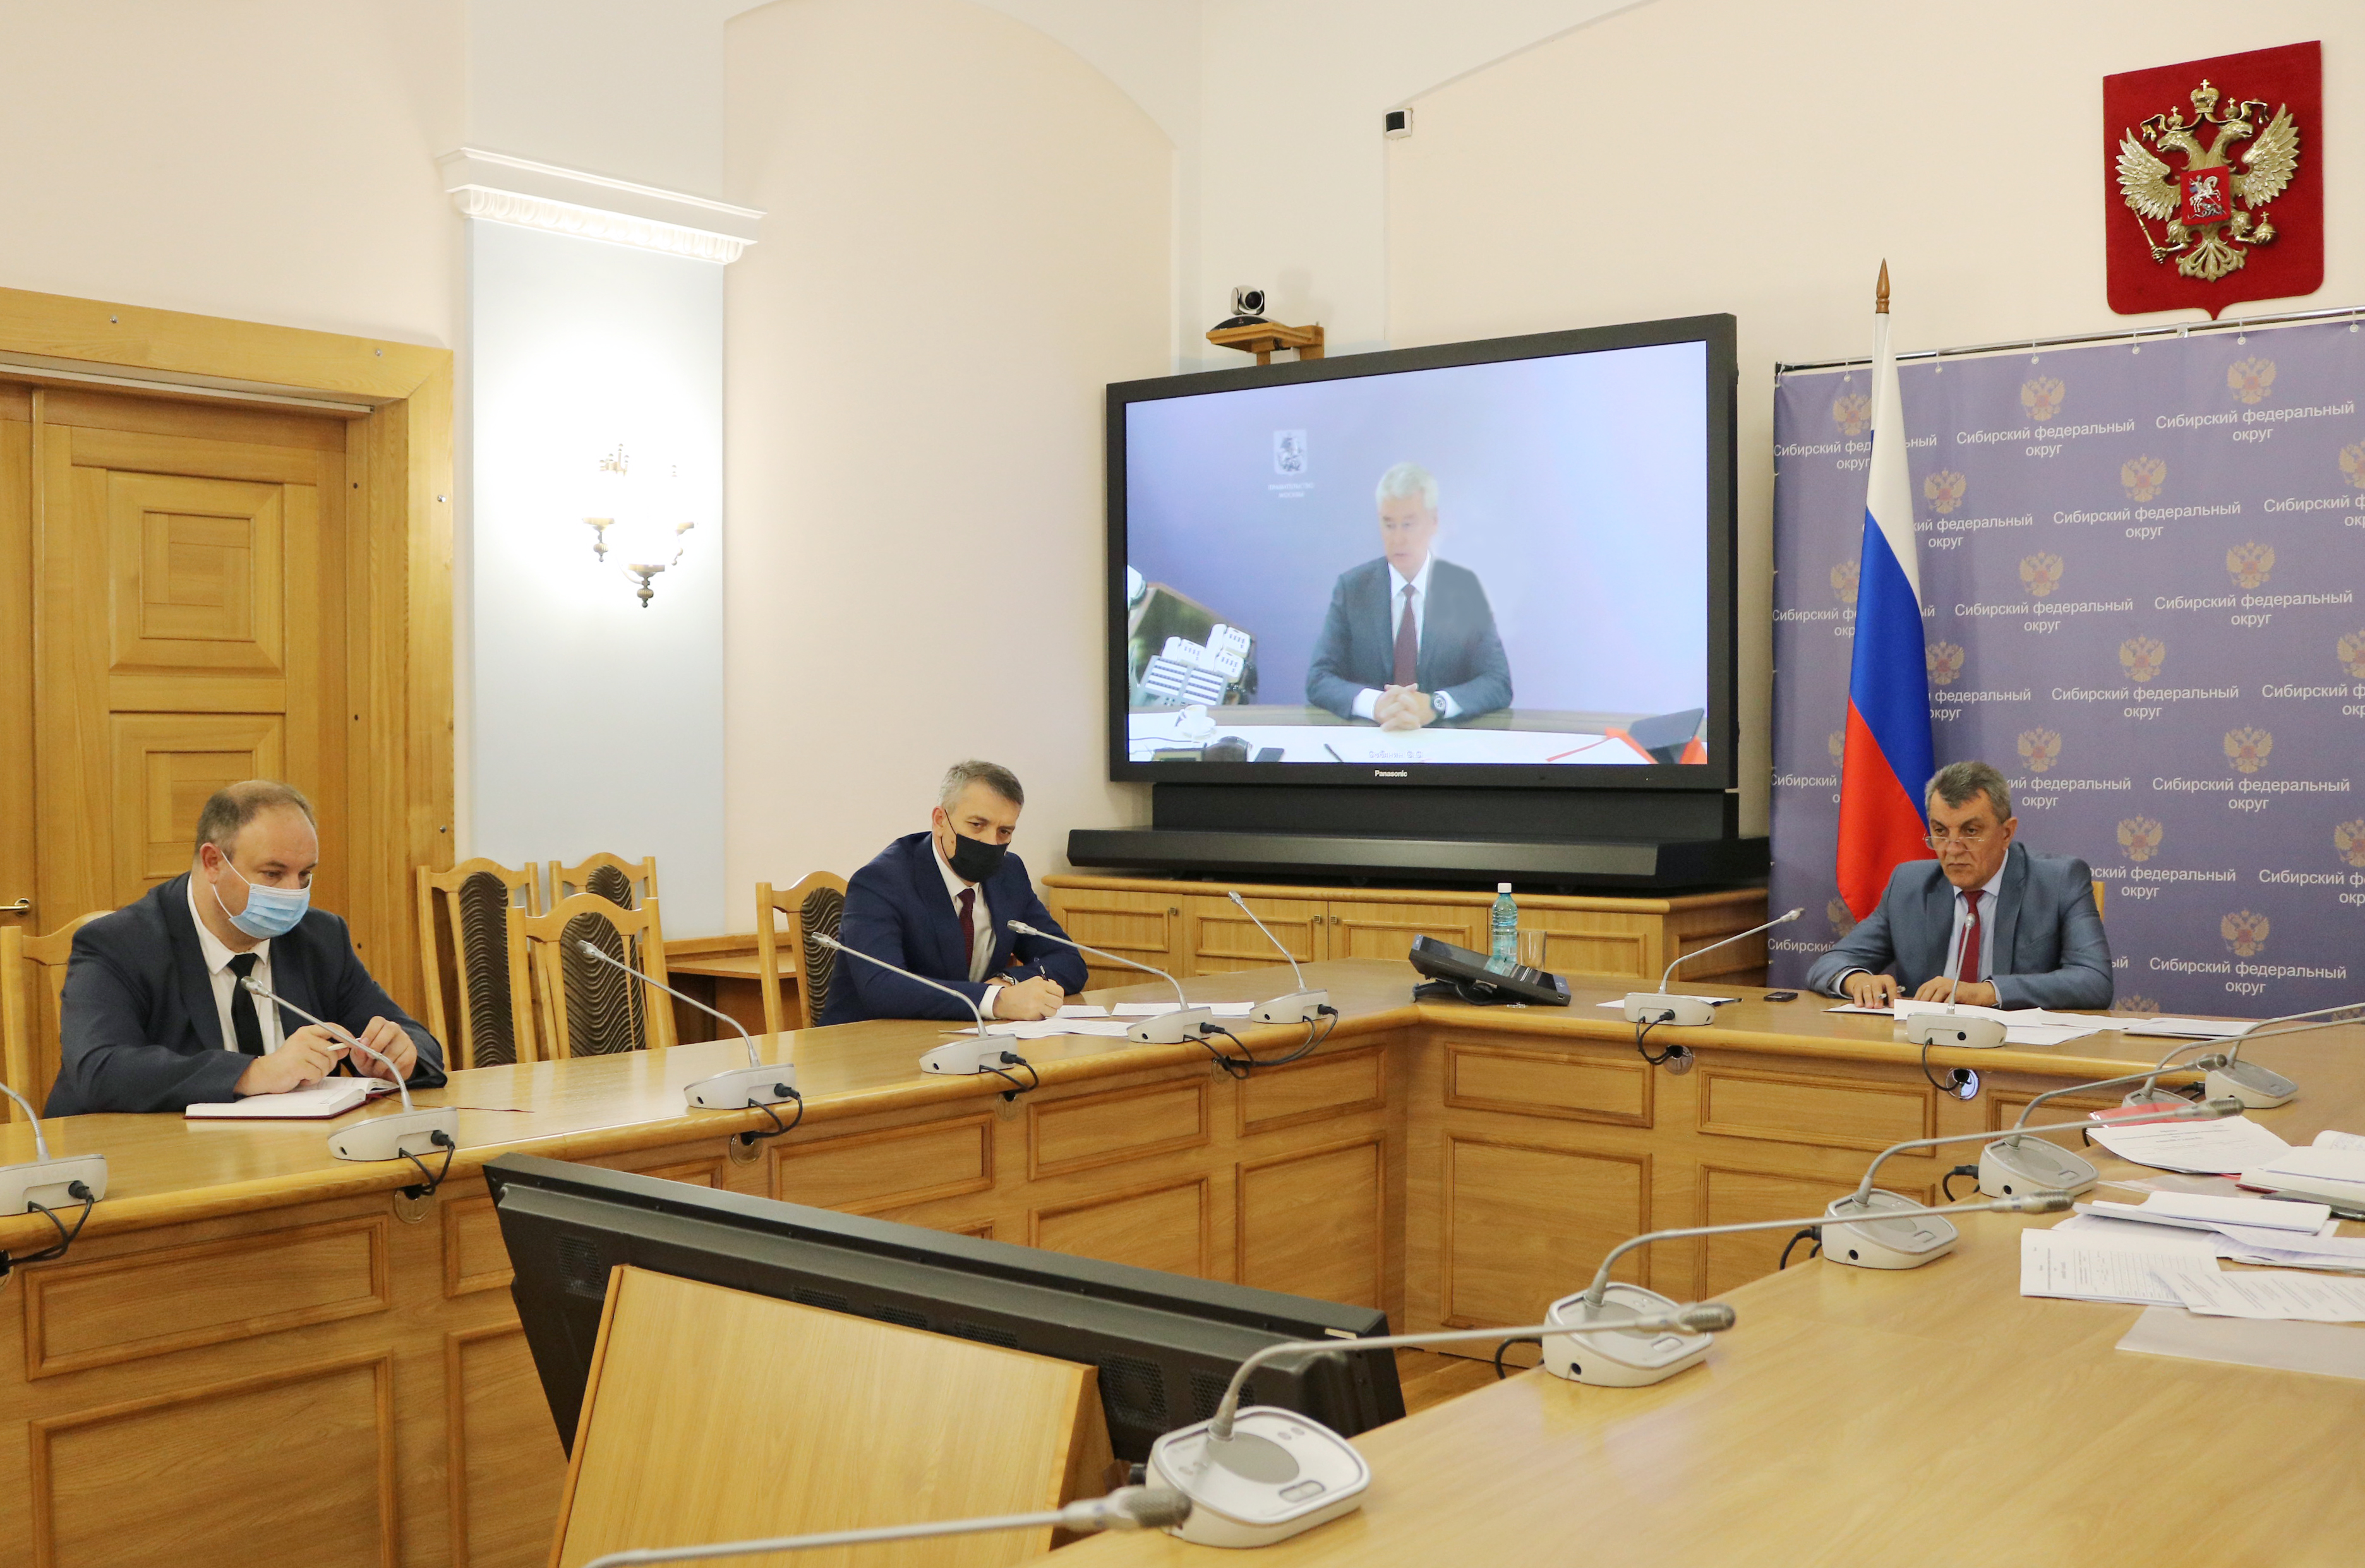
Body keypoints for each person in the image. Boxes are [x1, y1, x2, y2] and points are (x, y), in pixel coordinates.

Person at [47, 781, 446, 1116]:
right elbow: (98, 1070)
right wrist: (253, 1073)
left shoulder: (319, 938)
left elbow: (418, 1041)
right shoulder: (119, 943)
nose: (293, 893)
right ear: (213, 862)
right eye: (273, 873)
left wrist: (401, 1055)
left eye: (305, 875)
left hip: (291, 1160)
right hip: (150, 1162)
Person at [1805, 760, 2112, 1010]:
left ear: (2006, 833)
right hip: (1924, 1048)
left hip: (2018, 1051)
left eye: (1971, 831)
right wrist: (1858, 981)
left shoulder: (2059, 880)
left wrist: (1984, 993)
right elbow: (1830, 963)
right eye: (1940, 832)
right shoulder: (1909, 885)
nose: (1952, 849)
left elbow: (2094, 981)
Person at [818, 760, 1091, 1026]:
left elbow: (1068, 961)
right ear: (940, 821)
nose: (991, 842)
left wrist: (1006, 983)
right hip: (865, 1042)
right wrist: (994, 1001)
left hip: (962, 1036)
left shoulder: (1008, 874)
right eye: (977, 825)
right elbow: (882, 987)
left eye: (1004, 831)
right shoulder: (881, 881)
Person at [1306, 461, 1512, 730]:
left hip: (1443, 741)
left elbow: (1497, 682)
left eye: (1408, 525)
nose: (1398, 538)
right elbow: (1319, 678)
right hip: (1370, 739)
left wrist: (1435, 704)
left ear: (1433, 522)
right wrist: (1376, 704)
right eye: (1389, 525)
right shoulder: (1353, 589)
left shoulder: (1464, 588)